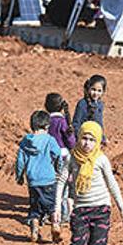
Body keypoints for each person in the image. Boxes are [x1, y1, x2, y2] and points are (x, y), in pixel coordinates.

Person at [54, 121, 123, 245]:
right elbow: (61, 181)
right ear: (79, 139)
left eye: (91, 139)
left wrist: (122, 208)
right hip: (80, 209)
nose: (87, 143)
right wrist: (57, 207)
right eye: (84, 138)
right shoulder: (72, 158)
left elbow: (112, 184)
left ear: (98, 142)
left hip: (101, 209)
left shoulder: (101, 159)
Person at [16, 110, 62, 242]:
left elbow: (20, 161)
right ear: (47, 127)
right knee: (52, 206)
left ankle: (35, 228)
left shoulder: (25, 141)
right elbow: (58, 155)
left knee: (34, 207)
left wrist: (19, 176)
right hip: (49, 179)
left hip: (33, 181)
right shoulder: (50, 140)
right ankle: (55, 225)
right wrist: (58, 169)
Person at [45, 93, 76, 235]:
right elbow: (70, 140)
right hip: (63, 156)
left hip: (48, 156)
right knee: (62, 186)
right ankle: (63, 215)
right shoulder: (62, 121)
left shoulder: (46, 121)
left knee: (50, 185)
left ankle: (48, 214)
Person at [72, 75, 107, 143]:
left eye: (99, 91)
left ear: (103, 92)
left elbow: (99, 123)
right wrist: (80, 138)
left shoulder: (100, 104)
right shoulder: (82, 104)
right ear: (88, 88)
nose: (96, 93)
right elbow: (76, 123)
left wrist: (102, 137)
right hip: (84, 139)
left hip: (95, 139)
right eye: (93, 89)